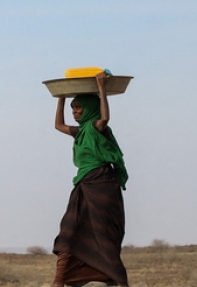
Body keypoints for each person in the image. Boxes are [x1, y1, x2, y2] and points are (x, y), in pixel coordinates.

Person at [52, 72, 129, 287]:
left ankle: (115, 279)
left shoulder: (97, 127)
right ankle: (60, 280)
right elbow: (58, 125)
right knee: (69, 229)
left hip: (103, 185)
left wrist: (101, 88)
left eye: (79, 108)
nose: (75, 112)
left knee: (104, 234)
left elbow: (105, 118)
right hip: (83, 184)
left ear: (90, 108)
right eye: (73, 108)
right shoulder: (80, 132)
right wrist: (61, 97)